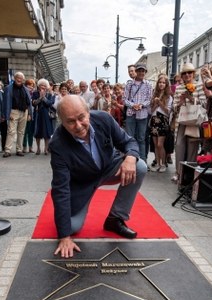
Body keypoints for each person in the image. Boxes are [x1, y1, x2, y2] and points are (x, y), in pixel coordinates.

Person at [50, 95, 147, 257]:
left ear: (88, 112)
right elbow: (60, 189)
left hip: (109, 168)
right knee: (72, 227)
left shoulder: (104, 119)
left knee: (140, 166)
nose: (79, 126)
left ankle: (115, 219)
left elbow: (128, 142)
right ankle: (71, 218)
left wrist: (130, 157)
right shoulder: (58, 144)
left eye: (81, 118)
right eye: (71, 121)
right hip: (82, 183)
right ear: (62, 122)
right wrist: (64, 236)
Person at [171, 63, 207, 183]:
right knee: (179, 146)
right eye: (184, 73)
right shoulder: (179, 88)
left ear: (193, 74)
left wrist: (191, 98)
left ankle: (189, 174)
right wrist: (181, 102)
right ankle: (178, 173)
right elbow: (174, 108)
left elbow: (205, 104)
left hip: (194, 121)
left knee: (192, 147)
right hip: (182, 121)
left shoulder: (200, 86)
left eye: (189, 72)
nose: (187, 75)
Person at [124, 63, 153, 162]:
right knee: (130, 138)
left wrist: (141, 105)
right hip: (131, 114)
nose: (141, 73)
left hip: (143, 114)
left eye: (143, 71)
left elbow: (149, 99)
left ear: (145, 72)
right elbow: (125, 99)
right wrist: (133, 105)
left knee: (141, 138)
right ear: (136, 72)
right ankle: (130, 159)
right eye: (139, 70)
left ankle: (143, 161)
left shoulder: (148, 84)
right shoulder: (129, 84)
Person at [2, 72, 32, 157]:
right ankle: (7, 150)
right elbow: (5, 102)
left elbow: (28, 102)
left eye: (21, 78)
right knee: (11, 131)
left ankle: (19, 149)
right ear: (14, 78)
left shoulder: (26, 89)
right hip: (13, 111)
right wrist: (7, 113)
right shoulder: (8, 88)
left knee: (21, 132)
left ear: (23, 80)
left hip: (24, 112)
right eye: (17, 78)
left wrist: (29, 113)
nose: (19, 79)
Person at [149, 74, 172, 172]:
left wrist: (160, 103)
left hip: (163, 120)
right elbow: (151, 111)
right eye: (160, 82)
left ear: (166, 84)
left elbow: (168, 111)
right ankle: (158, 163)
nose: (161, 84)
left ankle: (163, 164)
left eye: (163, 83)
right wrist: (155, 103)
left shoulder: (169, 96)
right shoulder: (154, 94)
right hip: (154, 119)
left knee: (160, 144)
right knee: (155, 144)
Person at [32, 79, 55, 155]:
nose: (43, 87)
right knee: (37, 132)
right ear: (38, 86)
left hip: (46, 115)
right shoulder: (35, 93)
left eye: (44, 85)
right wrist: (40, 98)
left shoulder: (50, 94)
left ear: (47, 86)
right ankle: (38, 148)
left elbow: (50, 103)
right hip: (38, 114)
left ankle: (46, 148)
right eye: (41, 85)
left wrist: (44, 98)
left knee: (47, 132)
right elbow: (34, 103)